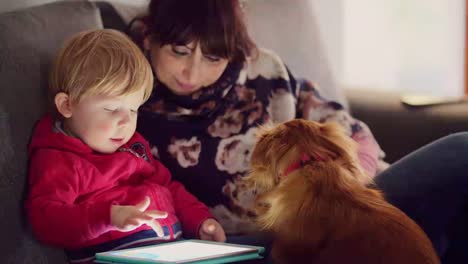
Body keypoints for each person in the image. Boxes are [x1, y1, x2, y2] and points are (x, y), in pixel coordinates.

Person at [130, 0, 468, 263]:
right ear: (149, 37)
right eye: (180, 52)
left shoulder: (264, 69)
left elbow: (351, 133)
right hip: (253, 240)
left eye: (214, 57)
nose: (193, 71)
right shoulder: (127, 100)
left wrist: (342, 194)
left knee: (460, 151)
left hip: (350, 206)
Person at [25, 29, 225, 264]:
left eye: (133, 109)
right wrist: (107, 217)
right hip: (119, 255)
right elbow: (45, 219)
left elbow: (168, 187)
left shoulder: (134, 146)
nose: (126, 121)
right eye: (111, 109)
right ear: (67, 105)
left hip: (172, 250)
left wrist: (201, 221)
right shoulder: (60, 160)